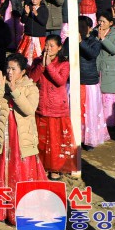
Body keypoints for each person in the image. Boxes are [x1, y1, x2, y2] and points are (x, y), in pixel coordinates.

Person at [0, 53, 45, 225]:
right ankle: (2, 210)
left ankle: (20, 212)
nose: (10, 72)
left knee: (21, 171)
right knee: (2, 168)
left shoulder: (31, 88)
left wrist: (15, 91)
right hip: (4, 134)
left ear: (23, 71)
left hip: (21, 137)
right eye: (8, 68)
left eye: (14, 69)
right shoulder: (2, 86)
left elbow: (28, 110)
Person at [29, 35, 78, 179]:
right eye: (47, 45)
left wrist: (49, 65)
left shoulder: (64, 63)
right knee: (41, 139)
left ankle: (55, 168)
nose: (48, 48)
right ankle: (41, 165)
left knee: (56, 140)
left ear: (59, 47)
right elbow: (32, 78)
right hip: (41, 105)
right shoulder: (38, 60)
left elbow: (60, 81)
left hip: (56, 107)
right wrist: (42, 65)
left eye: (52, 46)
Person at [77, 17, 109, 148]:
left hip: (89, 80)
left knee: (90, 111)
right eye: (78, 26)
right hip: (74, 80)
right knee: (76, 110)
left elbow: (92, 54)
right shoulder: (70, 40)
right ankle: (77, 136)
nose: (80, 29)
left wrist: (80, 43)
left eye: (83, 26)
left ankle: (90, 138)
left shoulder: (94, 41)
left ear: (90, 28)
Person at [95, 13, 115, 127]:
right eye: (99, 21)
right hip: (96, 68)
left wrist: (103, 39)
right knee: (97, 97)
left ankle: (108, 124)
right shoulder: (93, 32)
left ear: (110, 23)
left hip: (109, 69)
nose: (101, 23)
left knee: (108, 98)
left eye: (103, 21)